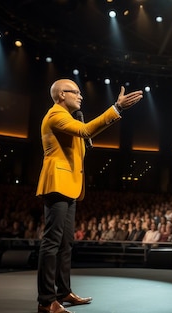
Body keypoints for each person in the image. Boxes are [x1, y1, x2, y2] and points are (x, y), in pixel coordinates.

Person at [35, 78, 143, 313]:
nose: (80, 96)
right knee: (52, 242)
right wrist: (117, 108)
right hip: (57, 183)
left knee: (65, 243)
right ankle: (46, 300)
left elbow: (83, 137)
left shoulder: (70, 119)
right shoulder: (56, 115)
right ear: (61, 95)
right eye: (75, 92)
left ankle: (63, 292)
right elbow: (85, 131)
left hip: (70, 185)